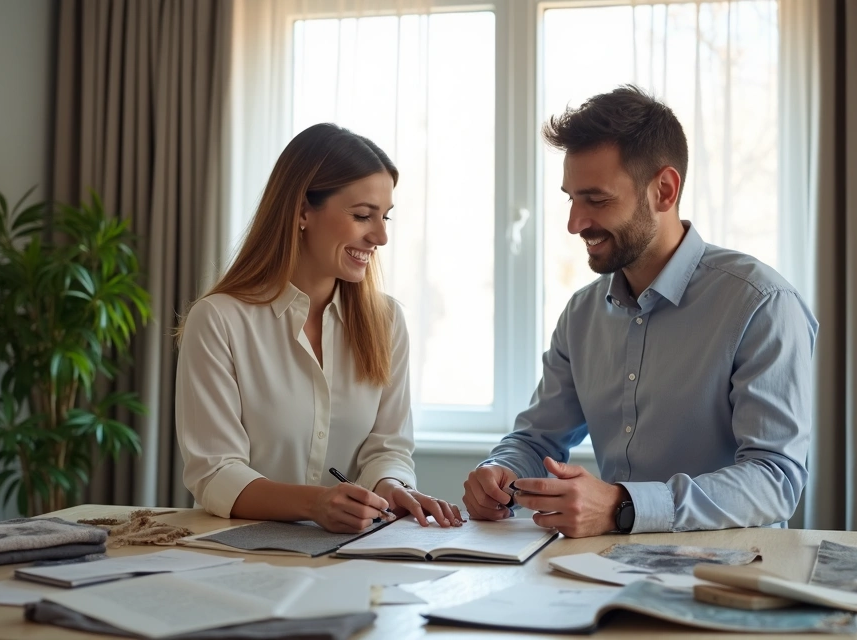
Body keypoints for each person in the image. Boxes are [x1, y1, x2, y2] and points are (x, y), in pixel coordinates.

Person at [461, 85, 818, 538]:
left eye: (596, 199)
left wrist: (623, 506)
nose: (574, 223)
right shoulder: (582, 314)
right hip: (604, 570)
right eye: (571, 198)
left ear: (664, 191)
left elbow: (775, 479)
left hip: (732, 575)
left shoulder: (762, 304)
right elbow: (536, 440)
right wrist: (499, 472)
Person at [176, 123, 463, 534]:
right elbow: (215, 473)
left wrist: (392, 486)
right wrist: (316, 504)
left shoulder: (388, 322)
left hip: (352, 557)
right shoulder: (219, 320)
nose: (380, 235)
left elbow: (387, 448)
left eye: (385, 217)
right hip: (243, 558)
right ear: (302, 211)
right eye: (363, 215)